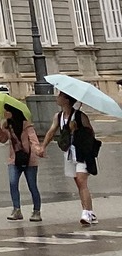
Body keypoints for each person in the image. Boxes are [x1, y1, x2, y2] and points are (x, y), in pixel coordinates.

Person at [43, 91, 101, 227]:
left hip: (82, 153)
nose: (57, 98)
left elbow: (91, 133)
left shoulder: (80, 116)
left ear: (67, 100)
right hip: (69, 153)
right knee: (78, 182)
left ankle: (86, 212)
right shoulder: (58, 116)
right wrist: (43, 146)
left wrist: (77, 130)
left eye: (60, 96)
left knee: (81, 180)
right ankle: (89, 212)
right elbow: (51, 131)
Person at [0, 103, 43, 221]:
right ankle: (16, 209)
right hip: (14, 158)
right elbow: (3, 140)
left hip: (29, 159)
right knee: (13, 182)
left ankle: (36, 211)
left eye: (6, 111)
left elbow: (33, 140)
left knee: (32, 185)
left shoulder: (27, 126)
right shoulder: (7, 125)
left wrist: (37, 149)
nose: (4, 113)